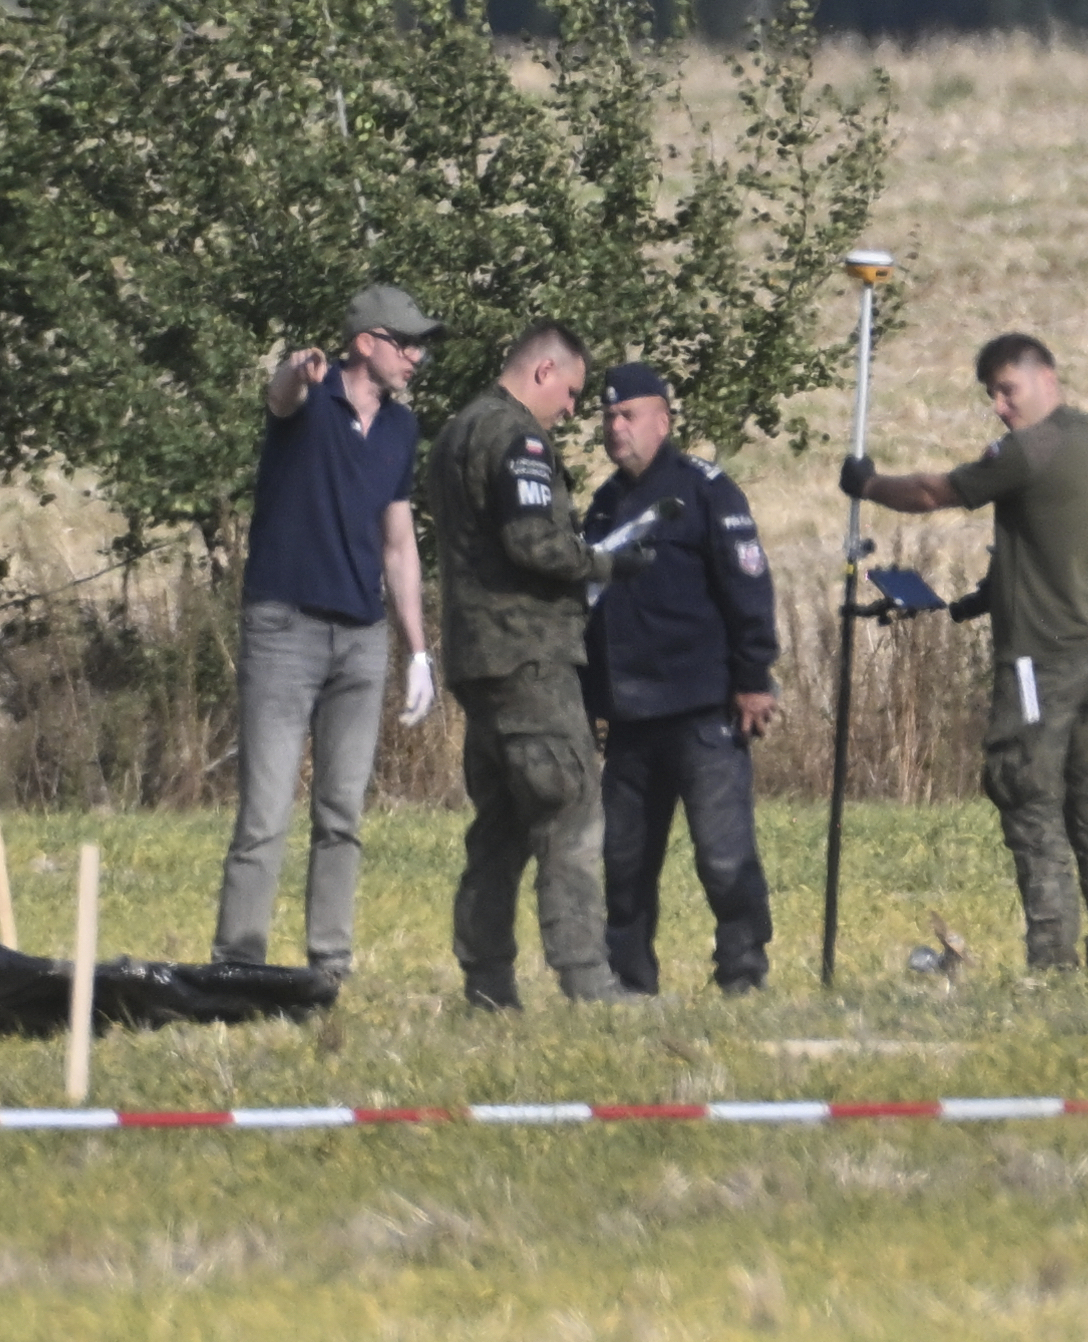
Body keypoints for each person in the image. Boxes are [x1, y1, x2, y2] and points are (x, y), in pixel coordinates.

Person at [843, 332, 1088, 973]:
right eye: (991, 394)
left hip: (1037, 662)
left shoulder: (1031, 450)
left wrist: (868, 484)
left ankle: (1051, 959)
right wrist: (1061, 582)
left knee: (1029, 798)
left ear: (1047, 376)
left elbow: (936, 493)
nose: (999, 406)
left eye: (1006, 389)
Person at [210, 283, 439, 983]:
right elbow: (280, 397)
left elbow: (397, 542)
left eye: (420, 346)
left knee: (341, 813)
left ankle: (329, 964)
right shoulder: (311, 399)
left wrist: (419, 651)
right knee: (265, 812)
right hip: (284, 629)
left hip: (362, 638)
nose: (417, 358)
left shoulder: (402, 430)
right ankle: (238, 965)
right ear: (366, 342)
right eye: (406, 344)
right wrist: (292, 368)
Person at [431, 321, 650, 1008]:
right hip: (529, 654)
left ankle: (487, 985)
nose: (573, 412)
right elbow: (532, 541)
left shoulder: (454, 432)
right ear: (542, 372)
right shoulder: (516, 437)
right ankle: (587, 982)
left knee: (499, 827)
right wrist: (607, 564)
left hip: (478, 658)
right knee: (570, 809)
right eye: (573, 393)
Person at [581, 361, 781, 995]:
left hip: (702, 708)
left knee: (724, 856)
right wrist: (589, 700)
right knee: (624, 863)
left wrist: (753, 675)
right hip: (632, 717)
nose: (616, 427)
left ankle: (743, 972)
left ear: (662, 421)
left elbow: (748, 584)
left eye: (628, 415)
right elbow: (588, 606)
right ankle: (630, 981)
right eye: (608, 416)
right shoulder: (606, 503)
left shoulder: (706, 491)